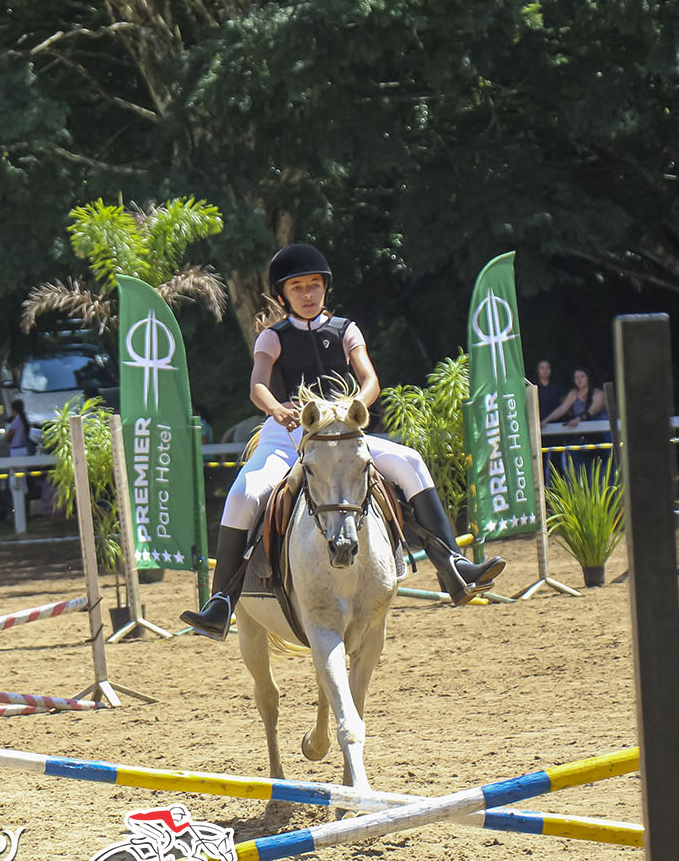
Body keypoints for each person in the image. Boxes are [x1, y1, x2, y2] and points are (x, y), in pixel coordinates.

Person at [180, 244, 505, 640]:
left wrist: (355, 406)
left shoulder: (347, 329)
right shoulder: (272, 336)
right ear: (284, 295)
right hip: (288, 436)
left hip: (344, 432)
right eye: (297, 287)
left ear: (325, 288)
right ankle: (221, 603)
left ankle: (453, 566)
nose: (307, 294)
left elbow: (370, 381)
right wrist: (278, 411)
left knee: (412, 461)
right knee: (244, 495)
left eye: (314, 285)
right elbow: (258, 386)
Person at [535, 360, 566, 425]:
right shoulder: (533, 388)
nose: (545, 370)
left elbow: (564, 406)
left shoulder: (558, 388)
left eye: (547, 367)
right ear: (537, 370)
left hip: (557, 425)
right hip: (538, 425)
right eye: (542, 368)